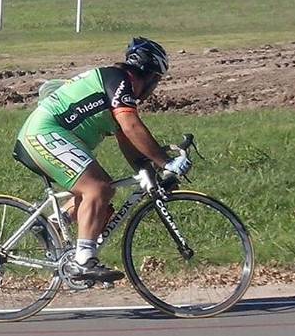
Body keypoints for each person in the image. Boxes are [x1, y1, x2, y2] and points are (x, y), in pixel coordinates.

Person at [13, 37, 191, 283]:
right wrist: (166, 162)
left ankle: (54, 223)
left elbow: (129, 144)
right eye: (157, 81)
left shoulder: (118, 89)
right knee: (97, 188)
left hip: (49, 135)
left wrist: (151, 173)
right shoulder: (118, 81)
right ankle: (83, 261)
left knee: (102, 200)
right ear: (149, 74)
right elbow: (131, 126)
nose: (155, 88)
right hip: (43, 134)